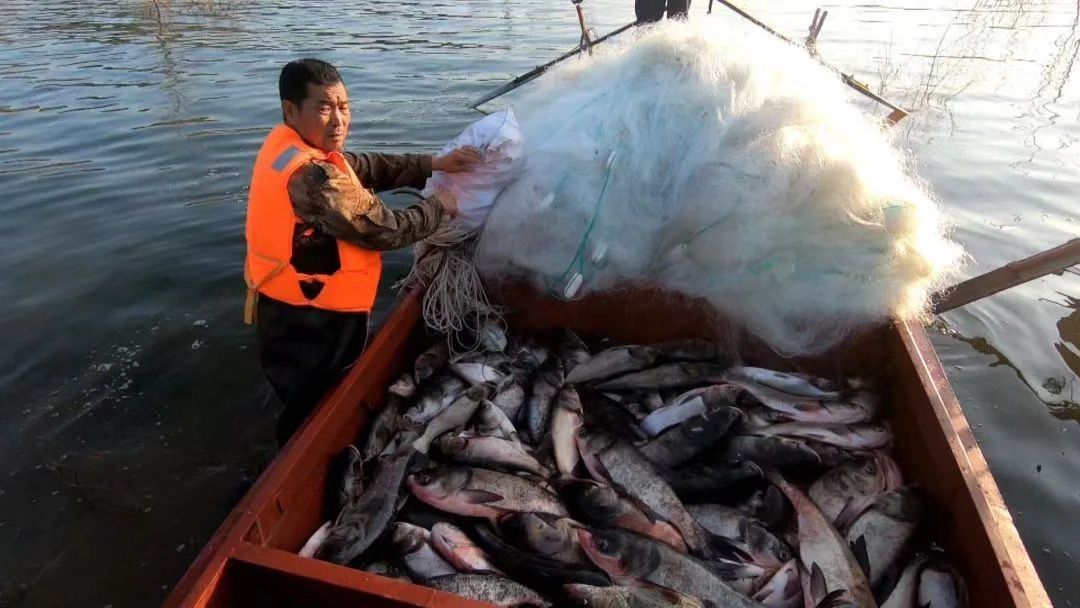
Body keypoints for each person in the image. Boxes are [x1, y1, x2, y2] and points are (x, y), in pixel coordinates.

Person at [244, 58, 480, 444]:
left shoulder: (291, 149)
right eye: (324, 108)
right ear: (291, 109)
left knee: (302, 401)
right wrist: (440, 207)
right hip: (312, 321)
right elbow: (385, 230)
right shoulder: (312, 177)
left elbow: (364, 167)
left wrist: (433, 163)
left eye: (344, 106)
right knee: (313, 413)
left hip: (285, 305)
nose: (339, 120)